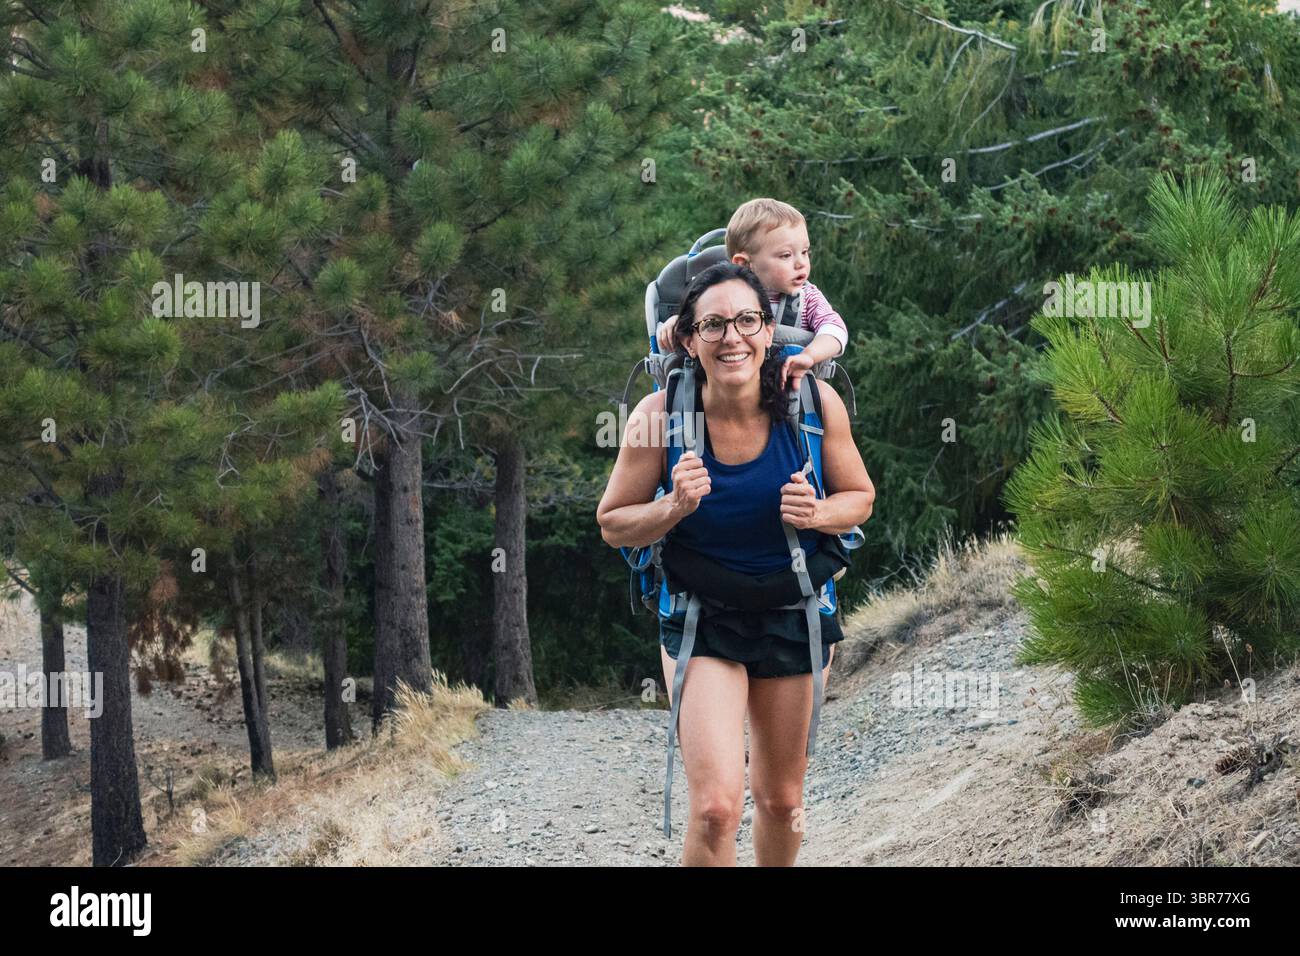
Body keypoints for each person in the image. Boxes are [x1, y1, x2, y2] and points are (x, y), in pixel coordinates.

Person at [597, 261, 875, 866]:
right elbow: (614, 522)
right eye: (714, 324)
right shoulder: (658, 416)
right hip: (702, 618)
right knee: (716, 809)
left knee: (780, 801)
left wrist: (818, 513)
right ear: (690, 339)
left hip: (792, 611)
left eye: (748, 320)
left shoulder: (811, 402)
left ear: (768, 329)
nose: (733, 337)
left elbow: (861, 498)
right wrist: (673, 505)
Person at [656, 197, 849, 395]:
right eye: (786, 255)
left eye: (805, 252)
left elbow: (835, 330)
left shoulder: (807, 299)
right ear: (744, 264)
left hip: (789, 396)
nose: (801, 263)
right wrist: (678, 323)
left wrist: (809, 355)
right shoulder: (719, 293)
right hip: (719, 395)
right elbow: (700, 319)